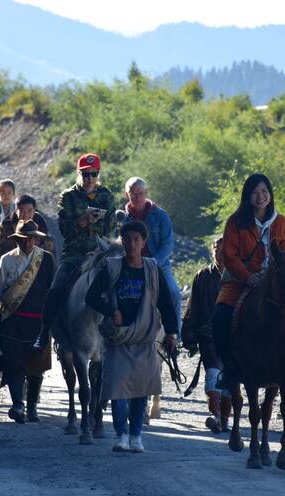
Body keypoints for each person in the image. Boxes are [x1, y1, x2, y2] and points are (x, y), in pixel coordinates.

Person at [211, 173, 285, 388]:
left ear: (270, 194)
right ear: (247, 196)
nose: (260, 196)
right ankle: (230, 368)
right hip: (241, 281)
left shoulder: (281, 223)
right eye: (254, 192)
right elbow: (230, 257)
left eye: (264, 191)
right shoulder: (235, 222)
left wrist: (273, 276)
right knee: (220, 316)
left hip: (276, 282)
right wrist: (249, 276)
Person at [85, 220, 178, 453]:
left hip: (145, 338)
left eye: (137, 239)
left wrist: (172, 333)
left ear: (144, 243)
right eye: (127, 239)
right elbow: (92, 297)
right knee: (117, 390)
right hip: (118, 339)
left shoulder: (153, 269)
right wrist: (111, 311)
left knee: (140, 391)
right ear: (122, 241)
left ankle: (136, 436)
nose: (132, 243)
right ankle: (121, 435)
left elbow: (166, 303)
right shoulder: (112, 267)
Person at [36, 153, 115, 349]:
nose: (89, 179)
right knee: (55, 289)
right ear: (79, 174)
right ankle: (44, 333)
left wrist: (100, 250)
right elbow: (64, 230)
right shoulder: (68, 196)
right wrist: (81, 222)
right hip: (74, 254)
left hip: (101, 253)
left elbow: (111, 229)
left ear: (98, 174)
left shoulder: (106, 195)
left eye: (93, 174)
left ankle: (129, 331)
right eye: (85, 174)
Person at [0, 220, 56, 423]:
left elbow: (53, 292)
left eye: (32, 238)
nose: (28, 243)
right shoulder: (7, 260)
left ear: (36, 239)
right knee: (14, 364)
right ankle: (18, 404)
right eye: (23, 239)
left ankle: (32, 407)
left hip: (39, 322)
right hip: (13, 321)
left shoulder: (47, 259)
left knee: (37, 366)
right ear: (16, 239)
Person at [181, 236, 232, 433]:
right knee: (213, 373)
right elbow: (192, 307)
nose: (221, 256)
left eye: (225, 252)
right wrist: (189, 333)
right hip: (208, 335)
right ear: (213, 252)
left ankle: (225, 419)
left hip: (233, 336)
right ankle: (216, 415)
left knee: (229, 377)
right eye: (217, 252)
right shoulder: (202, 276)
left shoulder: (239, 277)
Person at [123, 177, 182, 335]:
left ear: (146, 193)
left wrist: (151, 262)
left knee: (174, 295)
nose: (138, 198)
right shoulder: (123, 218)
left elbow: (168, 245)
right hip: (129, 267)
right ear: (127, 194)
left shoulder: (160, 216)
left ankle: (175, 336)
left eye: (141, 193)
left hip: (159, 266)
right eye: (133, 194)